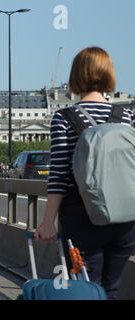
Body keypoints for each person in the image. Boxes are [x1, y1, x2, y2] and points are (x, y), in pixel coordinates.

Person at [34, 47, 135, 299]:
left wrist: (47, 221)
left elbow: (59, 174)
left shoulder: (65, 118)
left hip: (82, 218)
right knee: (110, 290)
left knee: (86, 289)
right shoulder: (127, 117)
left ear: (75, 75)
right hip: (125, 220)